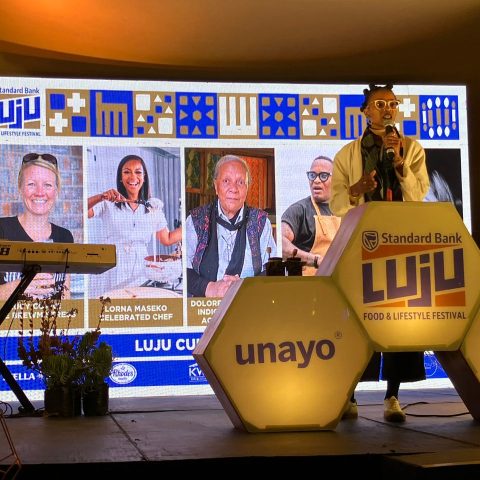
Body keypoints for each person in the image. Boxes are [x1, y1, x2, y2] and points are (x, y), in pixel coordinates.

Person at [330, 83, 430, 423]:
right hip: (362, 245)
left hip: (401, 244)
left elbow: (419, 194)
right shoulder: (347, 154)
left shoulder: (412, 148)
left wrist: (400, 163)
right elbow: (336, 203)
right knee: (357, 320)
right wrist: (357, 189)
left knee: (399, 321)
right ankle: (349, 396)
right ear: (365, 112)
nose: (388, 109)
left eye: (392, 104)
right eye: (380, 104)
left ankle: (392, 396)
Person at [87, 154, 181, 295]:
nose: (133, 177)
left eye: (138, 172)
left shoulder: (152, 207)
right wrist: (101, 197)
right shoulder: (107, 203)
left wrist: (190, 225)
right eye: (127, 172)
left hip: (140, 269)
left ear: (144, 177)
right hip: (112, 266)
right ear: (120, 177)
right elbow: (81, 211)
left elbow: (166, 238)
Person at [186, 155, 276, 298]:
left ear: (247, 188)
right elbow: (183, 269)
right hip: (204, 306)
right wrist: (210, 288)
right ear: (216, 186)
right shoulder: (195, 220)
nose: (233, 189)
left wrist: (245, 287)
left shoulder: (261, 223)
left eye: (240, 182)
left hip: (247, 302)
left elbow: (273, 270)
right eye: (226, 181)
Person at [0, 153, 74, 300]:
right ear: (20, 188)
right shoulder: (2, 229)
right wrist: (21, 286)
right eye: (31, 184)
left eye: (47, 185)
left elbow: (65, 297)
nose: (40, 193)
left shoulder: (65, 236)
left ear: (56, 191)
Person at [281, 155, 341, 275]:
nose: (316, 180)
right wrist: (314, 260)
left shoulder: (343, 212)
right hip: (307, 283)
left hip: (337, 280)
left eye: (323, 176)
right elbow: (281, 244)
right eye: (312, 175)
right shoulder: (299, 210)